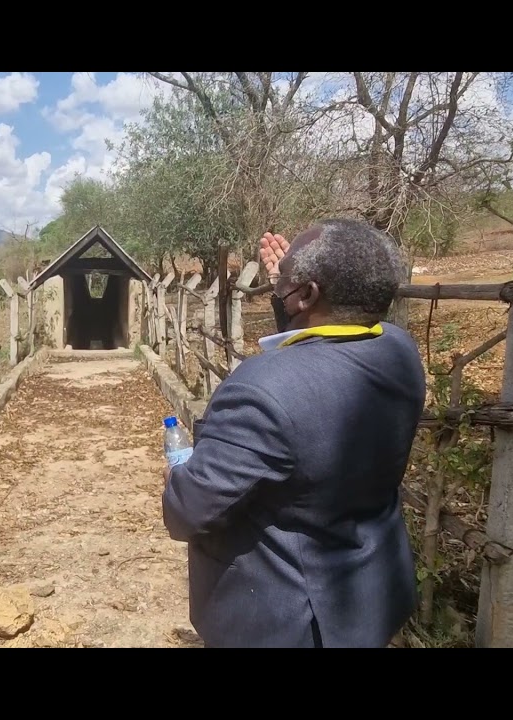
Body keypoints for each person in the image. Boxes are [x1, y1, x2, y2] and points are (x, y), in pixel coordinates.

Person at [160, 217, 426, 648]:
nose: (277, 285)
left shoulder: (261, 387)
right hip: (366, 598)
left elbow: (190, 511)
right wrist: (289, 292)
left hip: (288, 622)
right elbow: (319, 349)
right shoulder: (399, 349)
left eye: (285, 282)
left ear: (307, 293)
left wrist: (177, 480)